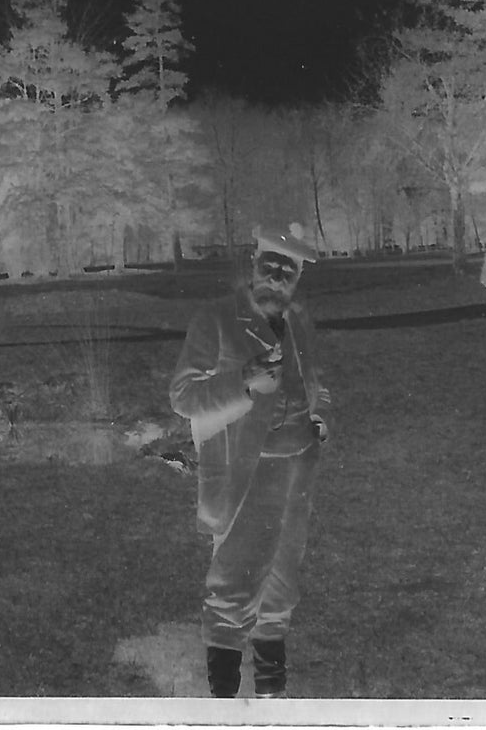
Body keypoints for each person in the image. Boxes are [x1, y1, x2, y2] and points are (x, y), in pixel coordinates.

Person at [169, 223, 333, 699]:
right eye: (271, 263)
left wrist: (320, 420)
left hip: (298, 464)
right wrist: (242, 378)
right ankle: (223, 703)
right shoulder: (217, 318)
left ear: (297, 276)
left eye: (289, 268)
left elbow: (318, 381)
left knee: (282, 583)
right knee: (234, 586)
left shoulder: (298, 318)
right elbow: (183, 395)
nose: (277, 275)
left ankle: (271, 695)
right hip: (247, 468)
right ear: (253, 263)